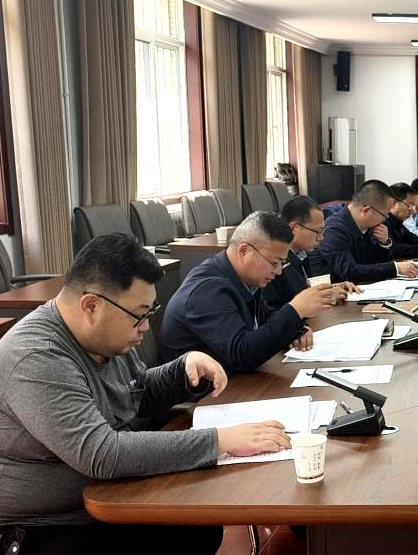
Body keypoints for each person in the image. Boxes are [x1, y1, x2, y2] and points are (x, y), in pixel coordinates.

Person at [0, 234, 290, 555]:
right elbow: (102, 454)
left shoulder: (106, 335)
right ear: (91, 305)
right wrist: (220, 441)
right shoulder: (35, 356)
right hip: (45, 525)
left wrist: (182, 373)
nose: (145, 327)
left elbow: (134, 393)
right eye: (139, 315)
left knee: (198, 528)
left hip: (111, 496)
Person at [162, 212, 335, 375]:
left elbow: (265, 318)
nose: (278, 272)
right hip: (200, 392)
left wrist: (296, 329)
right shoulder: (206, 291)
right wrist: (295, 310)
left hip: (233, 381)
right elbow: (241, 355)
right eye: (275, 263)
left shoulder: (242, 277)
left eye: (282, 263)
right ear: (244, 251)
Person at [311, 180, 418, 283]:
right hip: (336, 293)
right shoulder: (334, 230)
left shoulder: (368, 226)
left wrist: (384, 244)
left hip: (363, 288)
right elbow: (350, 272)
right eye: (384, 215)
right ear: (366, 210)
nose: (385, 220)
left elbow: (373, 263)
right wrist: (395, 268)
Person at [262, 195, 362, 307]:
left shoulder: (301, 254)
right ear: (293, 228)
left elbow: (303, 290)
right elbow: (274, 308)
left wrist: (331, 289)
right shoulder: (273, 261)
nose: (321, 238)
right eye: (317, 231)